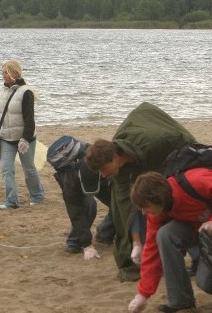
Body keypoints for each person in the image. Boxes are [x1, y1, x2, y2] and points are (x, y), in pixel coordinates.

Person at [84, 102, 196, 282]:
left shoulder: (155, 142)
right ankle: (150, 258)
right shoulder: (119, 169)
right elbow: (127, 208)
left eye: (104, 169)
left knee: (178, 200)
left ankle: (197, 256)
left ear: (115, 158)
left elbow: (184, 145)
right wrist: (136, 243)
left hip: (174, 149)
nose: (104, 176)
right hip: (140, 154)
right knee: (139, 205)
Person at [126, 170, 212, 313]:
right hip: (197, 227)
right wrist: (143, 294)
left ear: (158, 198)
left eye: (146, 206)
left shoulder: (196, 182)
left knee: (206, 282)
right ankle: (181, 302)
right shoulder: (157, 211)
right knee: (165, 235)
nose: (144, 212)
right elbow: (152, 249)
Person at [0, 59, 45, 210]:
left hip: (24, 138)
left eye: (6, 72)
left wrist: (25, 139)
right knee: (6, 169)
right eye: (2, 72)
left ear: (15, 72)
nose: (4, 75)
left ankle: (37, 195)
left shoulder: (26, 92)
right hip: (5, 138)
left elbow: (29, 119)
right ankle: (11, 201)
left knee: (29, 168)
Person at [47, 135, 115, 259]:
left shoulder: (99, 159)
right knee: (89, 206)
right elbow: (75, 211)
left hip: (96, 177)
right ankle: (75, 241)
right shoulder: (70, 182)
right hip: (78, 182)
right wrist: (88, 245)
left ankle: (105, 233)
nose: (104, 175)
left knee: (116, 203)